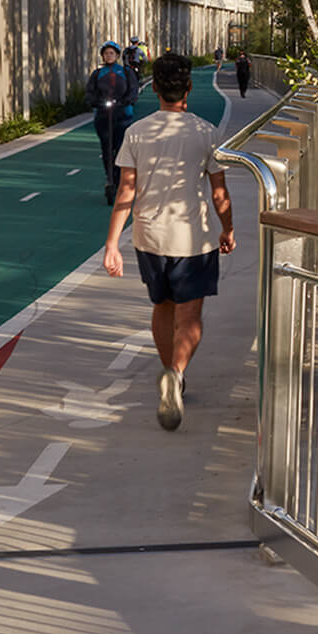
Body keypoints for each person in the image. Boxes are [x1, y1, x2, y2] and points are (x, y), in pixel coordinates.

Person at [100, 53, 233, 430]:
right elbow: (219, 192)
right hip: (193, 238)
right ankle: (175, 373)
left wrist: (112, 244)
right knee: (190, 316)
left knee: (162, 306)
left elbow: (127, 189)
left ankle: (167, 370)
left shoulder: (137, 133)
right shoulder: (206, 132)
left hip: (149, 237)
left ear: (153, 87)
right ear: (189, 88)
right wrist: (229, 229)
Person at [89, 41, 136, 203]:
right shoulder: (97, 73)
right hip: (103, 116)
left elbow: (133, 91)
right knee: (107, 148)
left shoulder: (125, 72)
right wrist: (96, 102)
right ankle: (110, 178)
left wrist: (126, 101)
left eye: (111, 53)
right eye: (106, 53)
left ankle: (119, 179)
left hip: (123, 115)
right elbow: (90, 93)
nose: (108, 56)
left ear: (117, 55)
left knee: (120, 148)